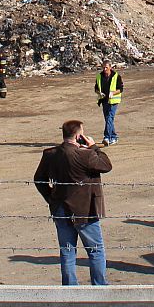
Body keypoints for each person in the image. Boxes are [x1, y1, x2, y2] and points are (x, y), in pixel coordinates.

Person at [33, 119, 112, 285]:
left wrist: (51, 199)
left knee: (67, 251)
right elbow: (106, 165)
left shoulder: (50, 154)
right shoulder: (86, 155)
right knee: (95, 251)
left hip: (61, 209)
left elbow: (39, 179)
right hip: (86, 211)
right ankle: (100, 287)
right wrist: (93, 147)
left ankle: (69, 288)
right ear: (78, 136)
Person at [94, 61, 123, 145]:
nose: (104, 69)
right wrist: (99, 93)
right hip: (104, 100)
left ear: (110, 67)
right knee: (108, 119)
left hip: (113, 101)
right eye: (103, 67)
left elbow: (120, 89)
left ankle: (107, 137)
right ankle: (114, 136)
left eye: (106, 67)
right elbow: (96, 88)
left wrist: (113, 93)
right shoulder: (99, 76)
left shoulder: (116, 76)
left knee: (109, 118)